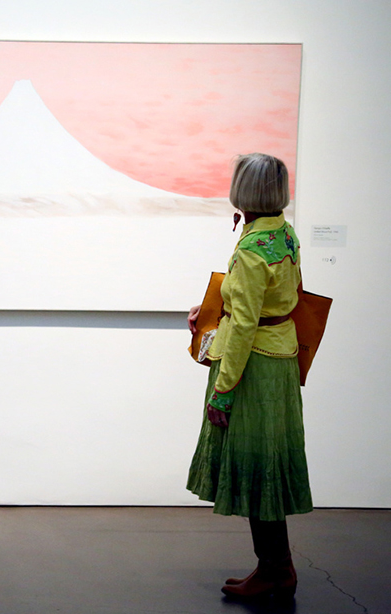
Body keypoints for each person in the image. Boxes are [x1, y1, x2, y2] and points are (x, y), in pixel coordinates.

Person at [186, 153, 312, 601]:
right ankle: (275, 568)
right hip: (277, 359)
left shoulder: (253, 247)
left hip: (253, 366)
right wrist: (216, 304)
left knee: (258, 469)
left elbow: (243, 326)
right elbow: (281, 298)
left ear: (245, 190)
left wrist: (223, 392)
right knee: (267, 467)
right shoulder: (282, 232)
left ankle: (277, 572)